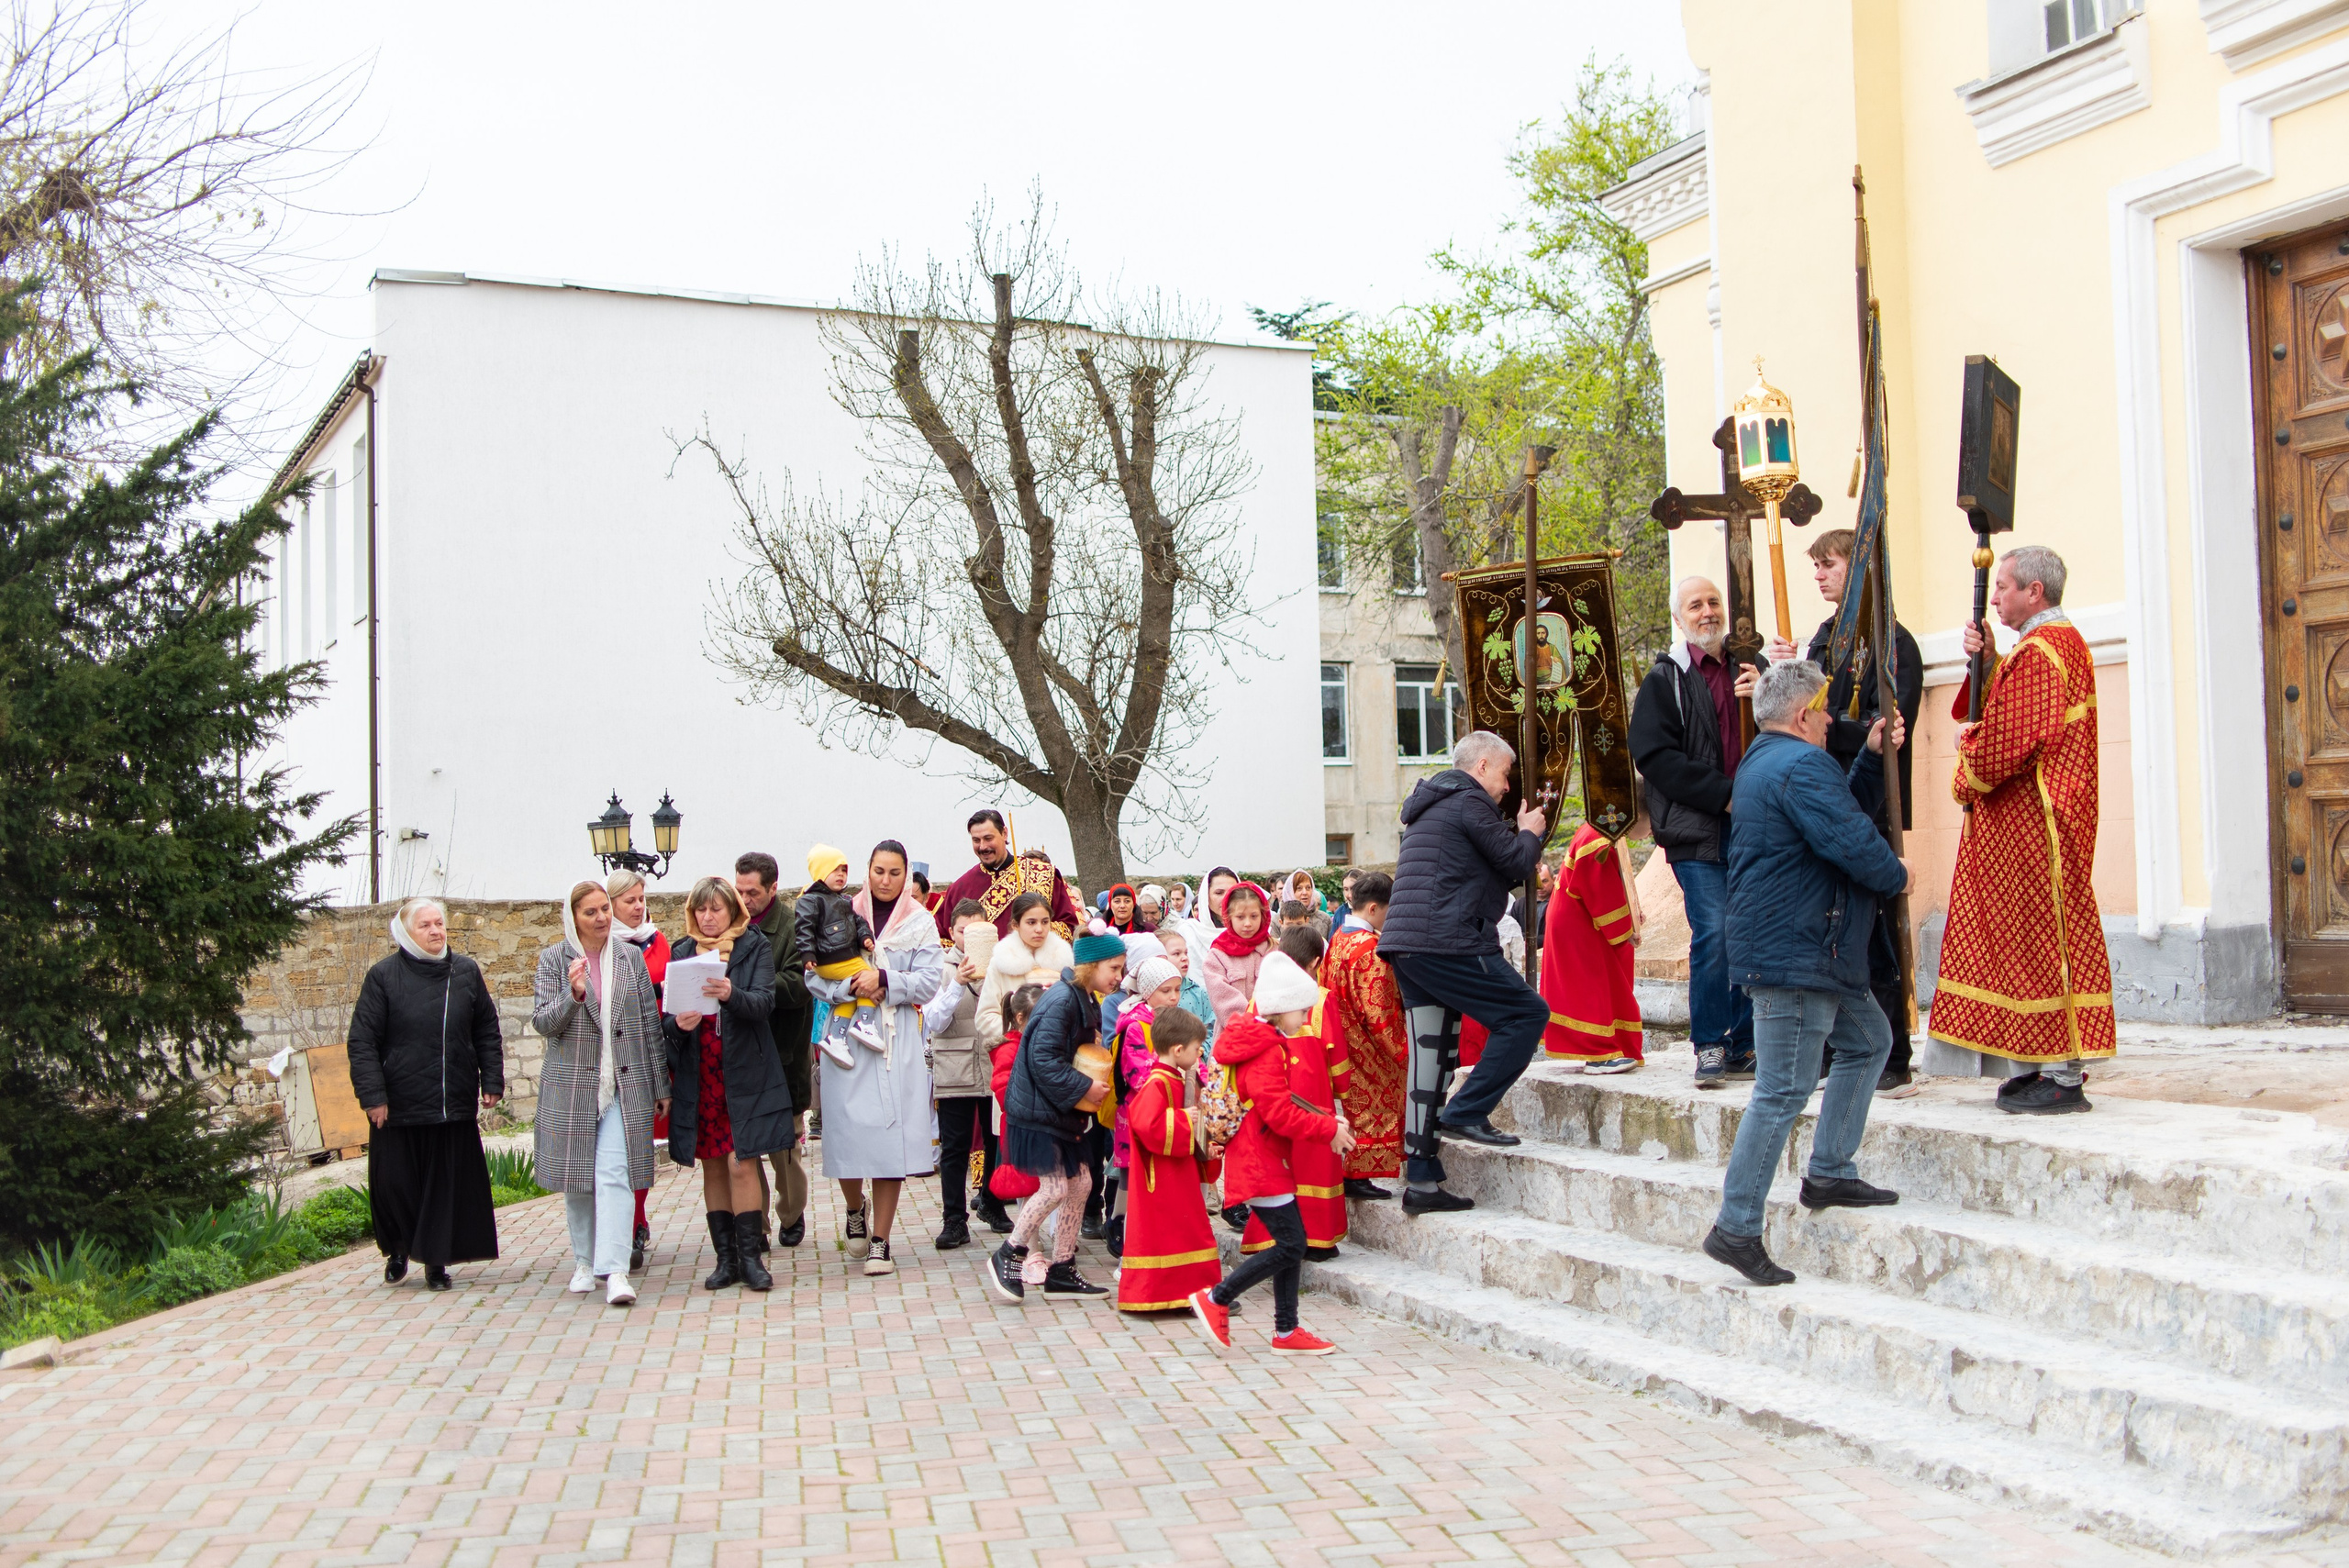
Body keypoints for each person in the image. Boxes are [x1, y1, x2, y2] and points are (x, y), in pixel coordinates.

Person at [1701, 662, 1914, 1287]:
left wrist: (1869, 759)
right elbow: (1853, 841)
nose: (1829, 722)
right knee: (1781, 1090)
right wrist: (1897, 875)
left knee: (1869, 1040)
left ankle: (1830, 1170)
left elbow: (1836, 812)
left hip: (1805, 947)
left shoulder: (1769, 760)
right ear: (1802, 716)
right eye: (1823, 712)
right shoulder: (1800, 765)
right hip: (1798, 950)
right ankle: (1736, 1226)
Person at [1927, 545, 2115, 1113]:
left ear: (2035, 591)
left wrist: (1966, 754)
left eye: (2004, 587)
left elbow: (2005, 744)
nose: (1996, 598)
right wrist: (1984, 661)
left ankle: (2061, 1075)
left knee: (2039, 945)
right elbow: (2007, 709)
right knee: (2029, 943)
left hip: (2035, 825)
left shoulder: (2040, 652)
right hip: (2038, 822)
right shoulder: (2056, 644)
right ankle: (2040, 1064)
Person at [1377, 729, 1549, 1217]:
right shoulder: (1469, 801)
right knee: (1526, 1014)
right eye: (1505, 774)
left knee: (1429, 1059)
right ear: (1482, 766)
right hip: (1448, 941)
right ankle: (1467, 1111)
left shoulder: (1431, 805)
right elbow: (1516, 860)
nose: (1507, 786)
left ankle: (1421, 1180)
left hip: (1409, 945)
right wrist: (1530, 831)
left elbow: (1491, 869)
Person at [1629, 575, 1770, 1088]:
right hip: (1695, 830)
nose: (1708, 611)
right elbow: (1654, 756)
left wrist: (1766, 694)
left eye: (1713, 602)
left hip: (1755, 825)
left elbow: (1788, 727)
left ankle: (1745, 1044)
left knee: (1752, 930)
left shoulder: (1752, 666)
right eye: (1696, 605)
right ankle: (1710, 1042)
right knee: (1715, 931)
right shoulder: (1665, 679)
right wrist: (1723, 794)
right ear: (1678, 618)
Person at [1805, 528, 1926, 1095]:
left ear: (1860, 571)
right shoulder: (1824, 639)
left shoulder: (1892, 642)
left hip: (1871, 804)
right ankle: (1835, 1048)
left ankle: (1892, 1054)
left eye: (1829, 564)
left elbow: (1891, 725)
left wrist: (1829, 727)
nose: (1819, 575)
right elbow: (1806, 708)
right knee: (1831, 929)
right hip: (1825, 798)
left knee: (1875, 932)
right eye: (1816, 566)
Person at [1186, 951, 1352, 1356]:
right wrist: (1328, 1129)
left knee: (1291, 1242)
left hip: (1261, 1156)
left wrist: (1325, 1121)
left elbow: (1276, 1102)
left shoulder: (1258, 1038)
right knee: (1292, 1245)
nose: (1306, 1017)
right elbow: (1279, 1114)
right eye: (1302, 1010)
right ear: (1283, 1008)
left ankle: (1286, 1330)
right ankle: (1218, 1298)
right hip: (1260, 1159)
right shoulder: (1266, 1049)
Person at [346, 897, 504, 1292]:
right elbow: (363, 1041)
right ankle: (399, 1248)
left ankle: (436, 1263)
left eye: (439, 923)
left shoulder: (465, 971)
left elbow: (486, 1028)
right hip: (398, 1105)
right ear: (406, 933)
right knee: (397, 1185)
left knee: (443, 1188)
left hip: (451, 1103)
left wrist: (492, 1080)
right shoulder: (383, 976)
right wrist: (373, 1096)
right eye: (426, 925)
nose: (436, 931)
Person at [532, 882, 671, 1307]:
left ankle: (615, 1271)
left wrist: (660, 1084)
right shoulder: (554, 959)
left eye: (604, 909)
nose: (600, 918)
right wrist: (573, 995)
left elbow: (648, 1023)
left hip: (623, 1083)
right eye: (590, 912)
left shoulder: (629, 957)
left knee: (616, 1173)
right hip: (573, 1086)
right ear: (573, 917)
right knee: (579, 1179)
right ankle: (584, 1261)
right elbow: (543, 1023)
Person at [817, 840, 944, 1277]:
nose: (885, 881)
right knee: (848, 1129)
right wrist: (849, 987)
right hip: (846, 1033)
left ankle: (881, 1241)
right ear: (867, 871)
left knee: (891, 1135)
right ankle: (855, 1207)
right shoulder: (839, 912)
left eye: (894, 873)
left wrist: (885, 979)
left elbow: (929, 980)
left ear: (906, 875)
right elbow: (812, 974)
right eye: (878, 871)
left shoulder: (921, 922)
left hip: (896, 1035)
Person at [662, 877, 796, 1293]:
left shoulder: (753, 946)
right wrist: (679, 1024)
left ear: (733, 911)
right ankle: (726, 1259)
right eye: (700, 909)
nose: (707, 917)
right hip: (701, 1074)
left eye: (715, 909)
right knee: (714, 1164)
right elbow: (665, 1020)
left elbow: (764, 1003)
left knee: (743, 1161)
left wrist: (731, 993)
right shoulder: (682, 952)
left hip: (745, 1074)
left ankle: (752, 1258)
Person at [984, 932, 1128, 1303]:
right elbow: (1042, 1059)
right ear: (1091, 966)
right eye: (1114, 968)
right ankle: (1009, 1253)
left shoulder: (1082, 997)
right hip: (1036, 1113)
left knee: (1081, 1183)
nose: (1119, 977)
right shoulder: (1062, 1000)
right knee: (1054, 1189)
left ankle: (1062, 1270)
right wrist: (1084, 1086)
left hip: (1057, 1111)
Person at [1116, 1006, 1223, 1314]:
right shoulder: (1157, 1083)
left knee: (1187, 1231)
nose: (1199, 1054)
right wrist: (1184, 1120)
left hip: (1178, 1173)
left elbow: (1188, 1128)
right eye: (1196, 1049)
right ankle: (1168, 1294)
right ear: (1178, 1050)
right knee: (1173, 1232)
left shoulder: (1178, 1079)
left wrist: (1206, 1149)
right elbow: (1146, 1125)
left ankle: (1191, 1292)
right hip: (1162, 1180)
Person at [735, 852, 814, 1249]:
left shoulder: (794, 928)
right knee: (747, 1151)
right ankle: (757, 1224)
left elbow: (801, 986)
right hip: (742, 1057)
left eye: (752, 892)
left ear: (773, 888)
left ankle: (791, 1213)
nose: (744, 900)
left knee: (785, 1150)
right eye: (739, 891)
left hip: (784, 1055)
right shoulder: (730, 925)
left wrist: (752, 989)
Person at [925, 898, 1008, 1248]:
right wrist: (958, 982)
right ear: (952, 932)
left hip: (992, 1062)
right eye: (963, 931)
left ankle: (992, 1201)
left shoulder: (1002, 965)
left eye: (978, 931)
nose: (969, 938)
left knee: (996, 1139)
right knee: (955, 1145)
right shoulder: (939, 967)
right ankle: (954, 1219)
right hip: (954, 1064)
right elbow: (934, 1021)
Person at [1540, 820, 1644, 1074]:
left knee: (1604, 982)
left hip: (1582, 917)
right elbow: (1599, 888)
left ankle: (1614, 1048)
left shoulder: (1602, 830)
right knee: (1591, 986)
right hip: (1579, 922)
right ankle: (1599, 1054)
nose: (1653, 830)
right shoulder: (1597, 838)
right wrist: (1625, 927)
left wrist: (1630, 913)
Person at [1323, 871, 1405, 1198]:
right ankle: (1357, 1173)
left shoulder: (1339, 937)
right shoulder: (1370, 949)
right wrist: (1403, 1049)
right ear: (1373, 908)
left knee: (1355, 1107)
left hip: (1341, 1039)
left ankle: (1352, 1169)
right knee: (1374, 1108)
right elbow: (1380, 1012)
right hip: (1368, 1044)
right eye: (1388, 910)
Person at [607, 871, 670, 1273]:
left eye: (641, 898)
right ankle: (625, 1226)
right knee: (617, 1152)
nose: (638, 906)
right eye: (629, 900)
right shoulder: (600, 946)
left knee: (642, 1146)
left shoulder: (657, 940)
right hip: (613, 1057)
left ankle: (636, 1221)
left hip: (651, 1055)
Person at [935, 809, 1085, 940]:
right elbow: (942, 939)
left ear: (1004, 833)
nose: (983, 847)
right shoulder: (959, 888)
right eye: (976, 840)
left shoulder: (1044, 875)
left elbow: (1069, 928)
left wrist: (1033, 930)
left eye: (988, 838)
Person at [797, 844, 880, 1066]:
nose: (841, 875)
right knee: (868, 977)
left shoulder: (843, 900)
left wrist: (865, 937)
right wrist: (807, 953)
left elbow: (858, 922)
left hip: (842, 955)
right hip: (830, 956)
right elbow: (804, 928)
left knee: (851, 992)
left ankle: (836, 1036)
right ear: (821, 872)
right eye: (835, 870)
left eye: (844, 870)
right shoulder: (811, 900)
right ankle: (865, 1024)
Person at [976, 891, 1074, 1045]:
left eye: (1045, 922)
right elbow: (985, 1017)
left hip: (1057, 1047)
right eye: (1031, 922)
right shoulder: (1000, 963)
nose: (1039, 929)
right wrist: (1020, 1030)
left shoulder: (1064, 962)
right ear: (1015, 925)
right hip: (1014, 1049)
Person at [1201, 881, 1275, 1029]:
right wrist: (1252, 1025)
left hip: (1273, 1033)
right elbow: (1223, 999)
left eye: (1254, 916)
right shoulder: (1217, 956)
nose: (1248, 923)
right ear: (1228, 917)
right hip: (1234, 1035)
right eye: (1240, 917)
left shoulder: (1274, 950)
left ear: (1263, 916)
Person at [1153, 926, 1215, 1046]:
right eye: (1176, 954)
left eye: (1186, 953)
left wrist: (1199, 1052)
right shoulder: (1150, 994)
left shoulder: (1200, 994)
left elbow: (1213, 1031)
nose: (1184, 958)